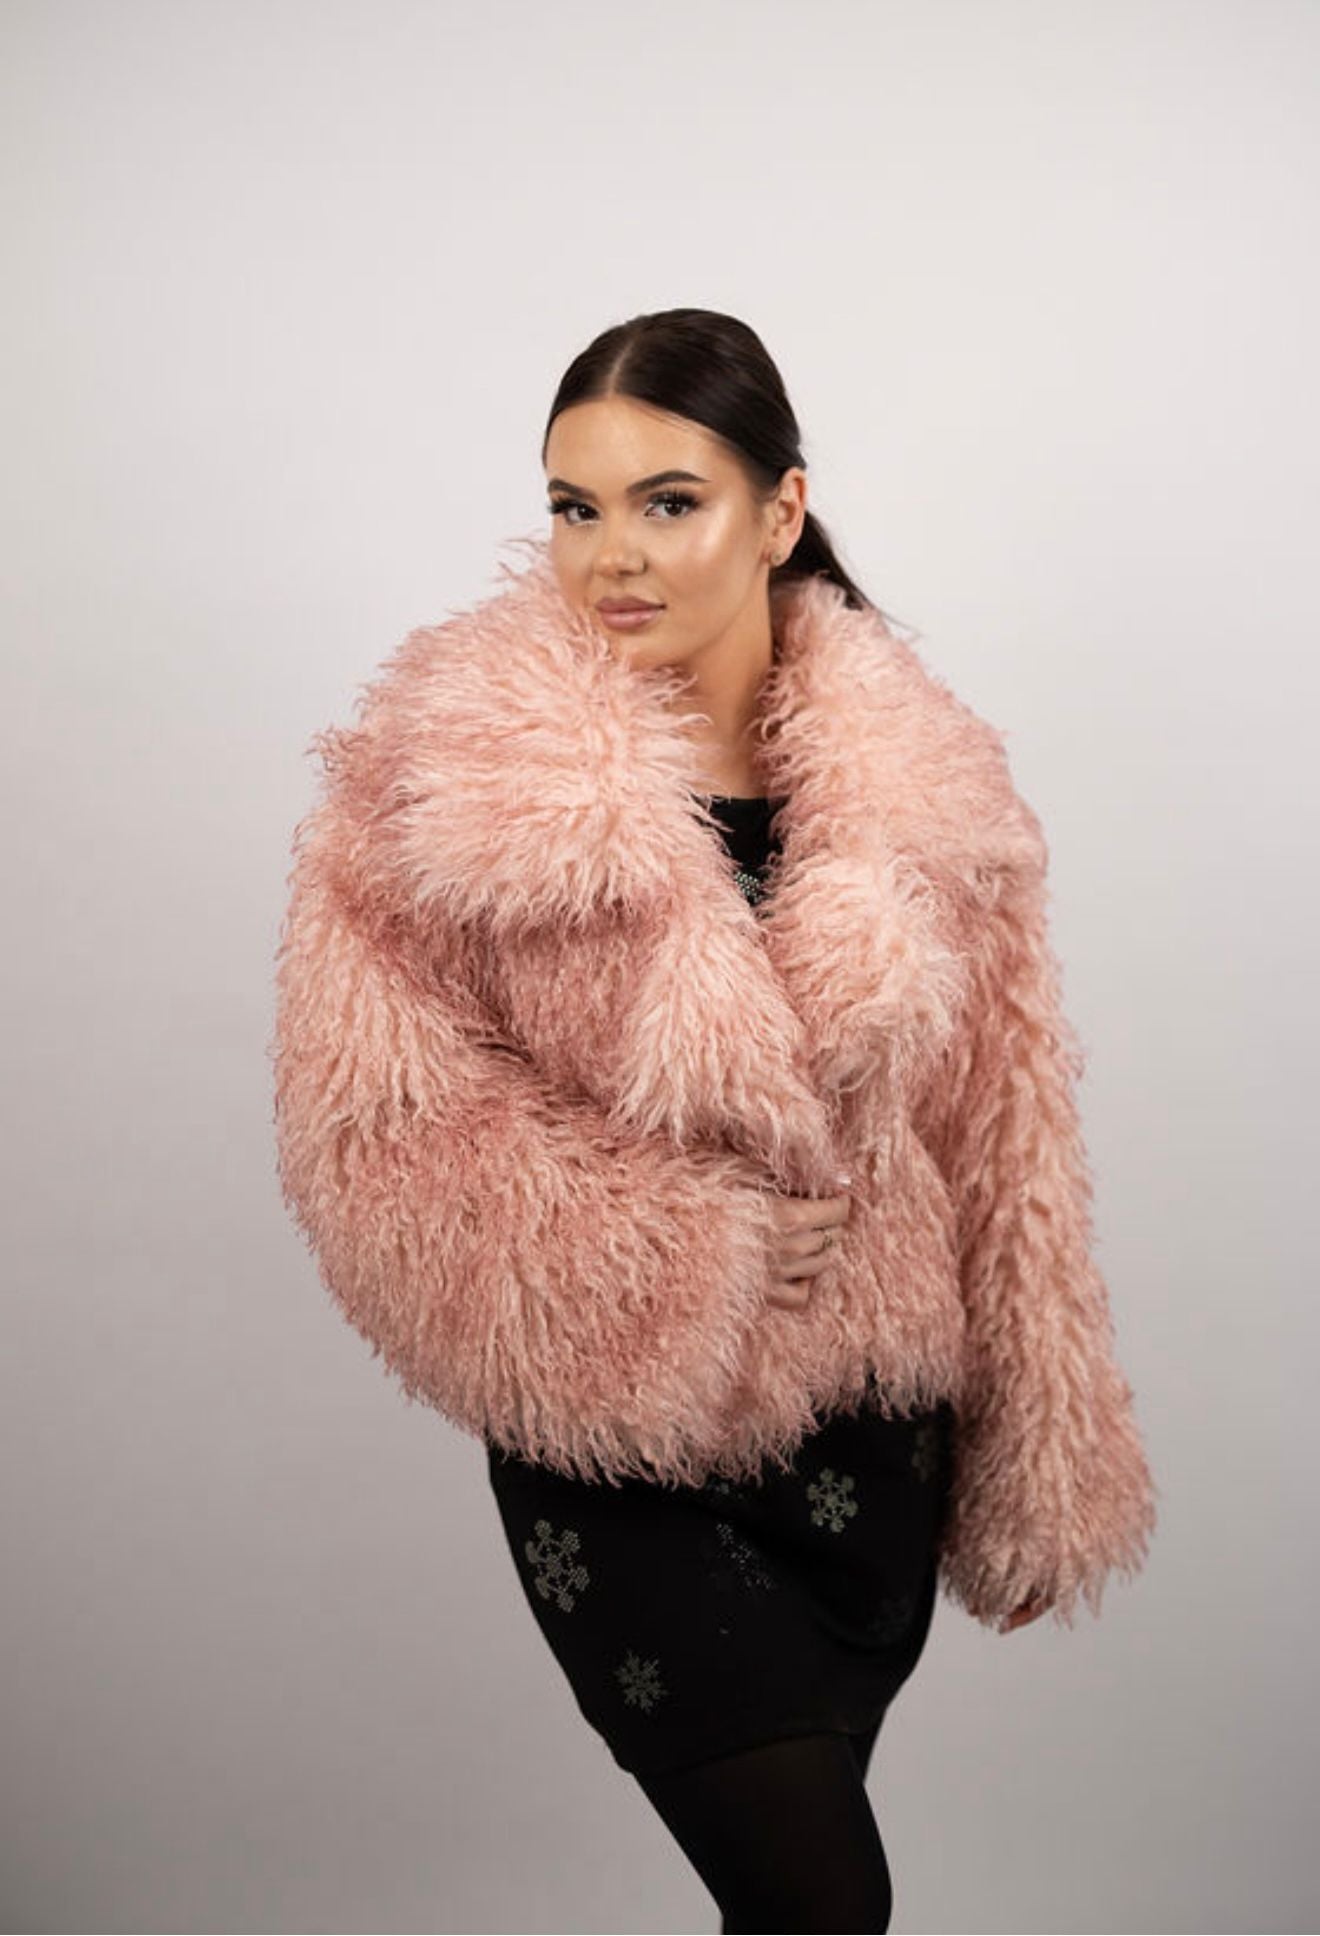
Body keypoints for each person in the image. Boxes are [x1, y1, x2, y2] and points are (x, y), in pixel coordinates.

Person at [271, 307, 1158, 1933]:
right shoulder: (436, 789)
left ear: (781, 511)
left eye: (667, 500)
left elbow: (1010, 1142)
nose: (610, 552)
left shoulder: (937, 795)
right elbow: (373, 1139)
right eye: (574, 506)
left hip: (873, 1445)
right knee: (825, 1904)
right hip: (624, 1432)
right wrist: (695, 1243)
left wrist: (1048, 1457)